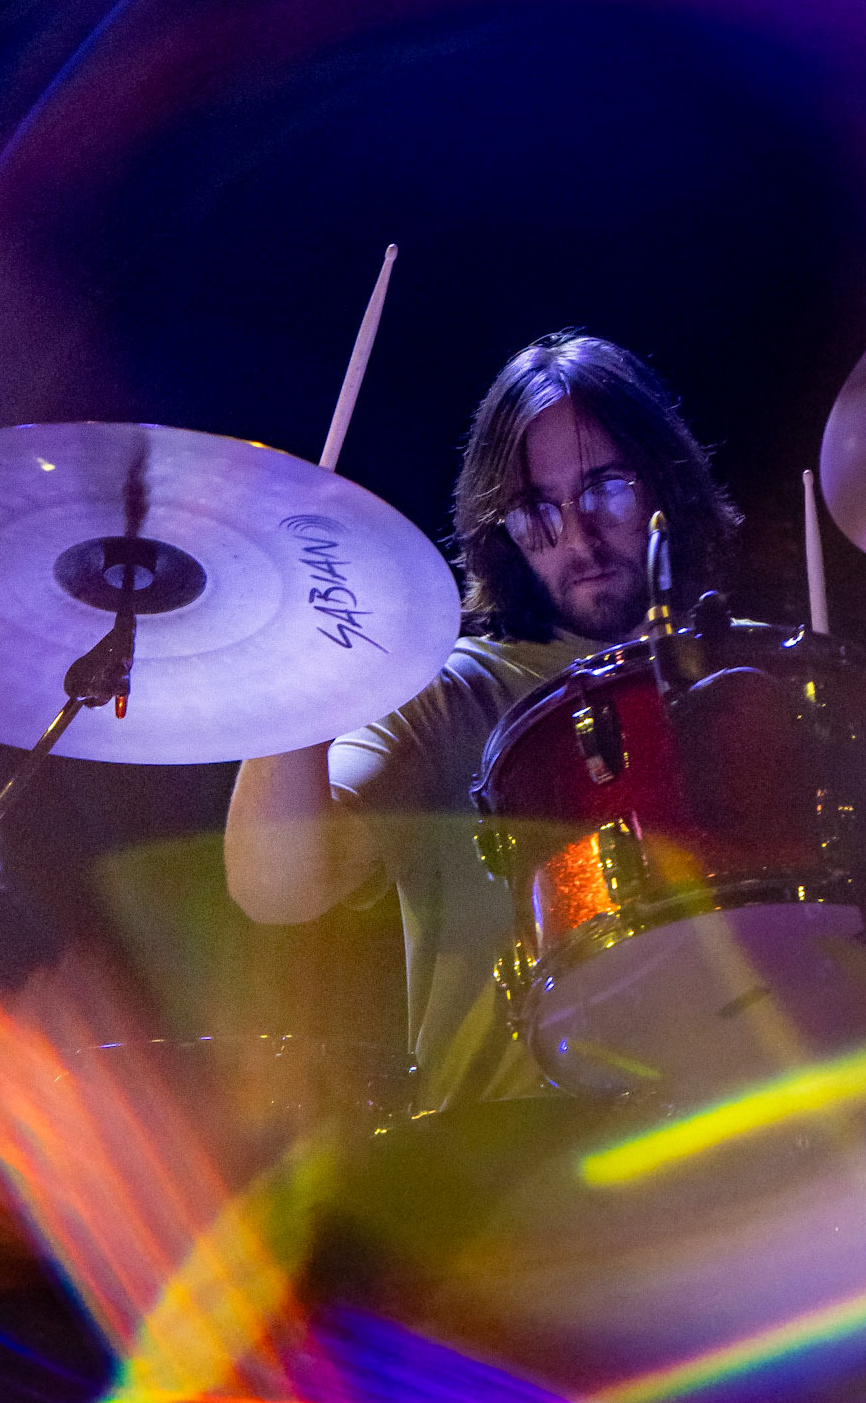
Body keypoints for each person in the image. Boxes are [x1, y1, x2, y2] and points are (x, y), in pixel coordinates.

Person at [224, 333, 739, 1109]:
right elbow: (278, 889)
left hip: (748, 1146)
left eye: (605, 486)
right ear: (502, 530)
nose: (577, 535)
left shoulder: (752, 686)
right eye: (535, 510)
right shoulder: (448, 693)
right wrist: (300, 673)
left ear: (665, 482)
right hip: (509, 1163)